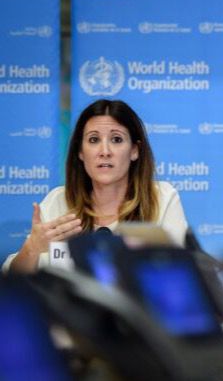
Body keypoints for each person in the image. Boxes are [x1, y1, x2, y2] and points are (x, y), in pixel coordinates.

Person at [2, 99, 188, 274]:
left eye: (116, 139)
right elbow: (13, 282)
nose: (104, 152)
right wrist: (32, 248)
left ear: (134, 150)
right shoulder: (57, 202)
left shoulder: (162, 199)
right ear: (80, 152)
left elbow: (183, 275)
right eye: (93, 140)